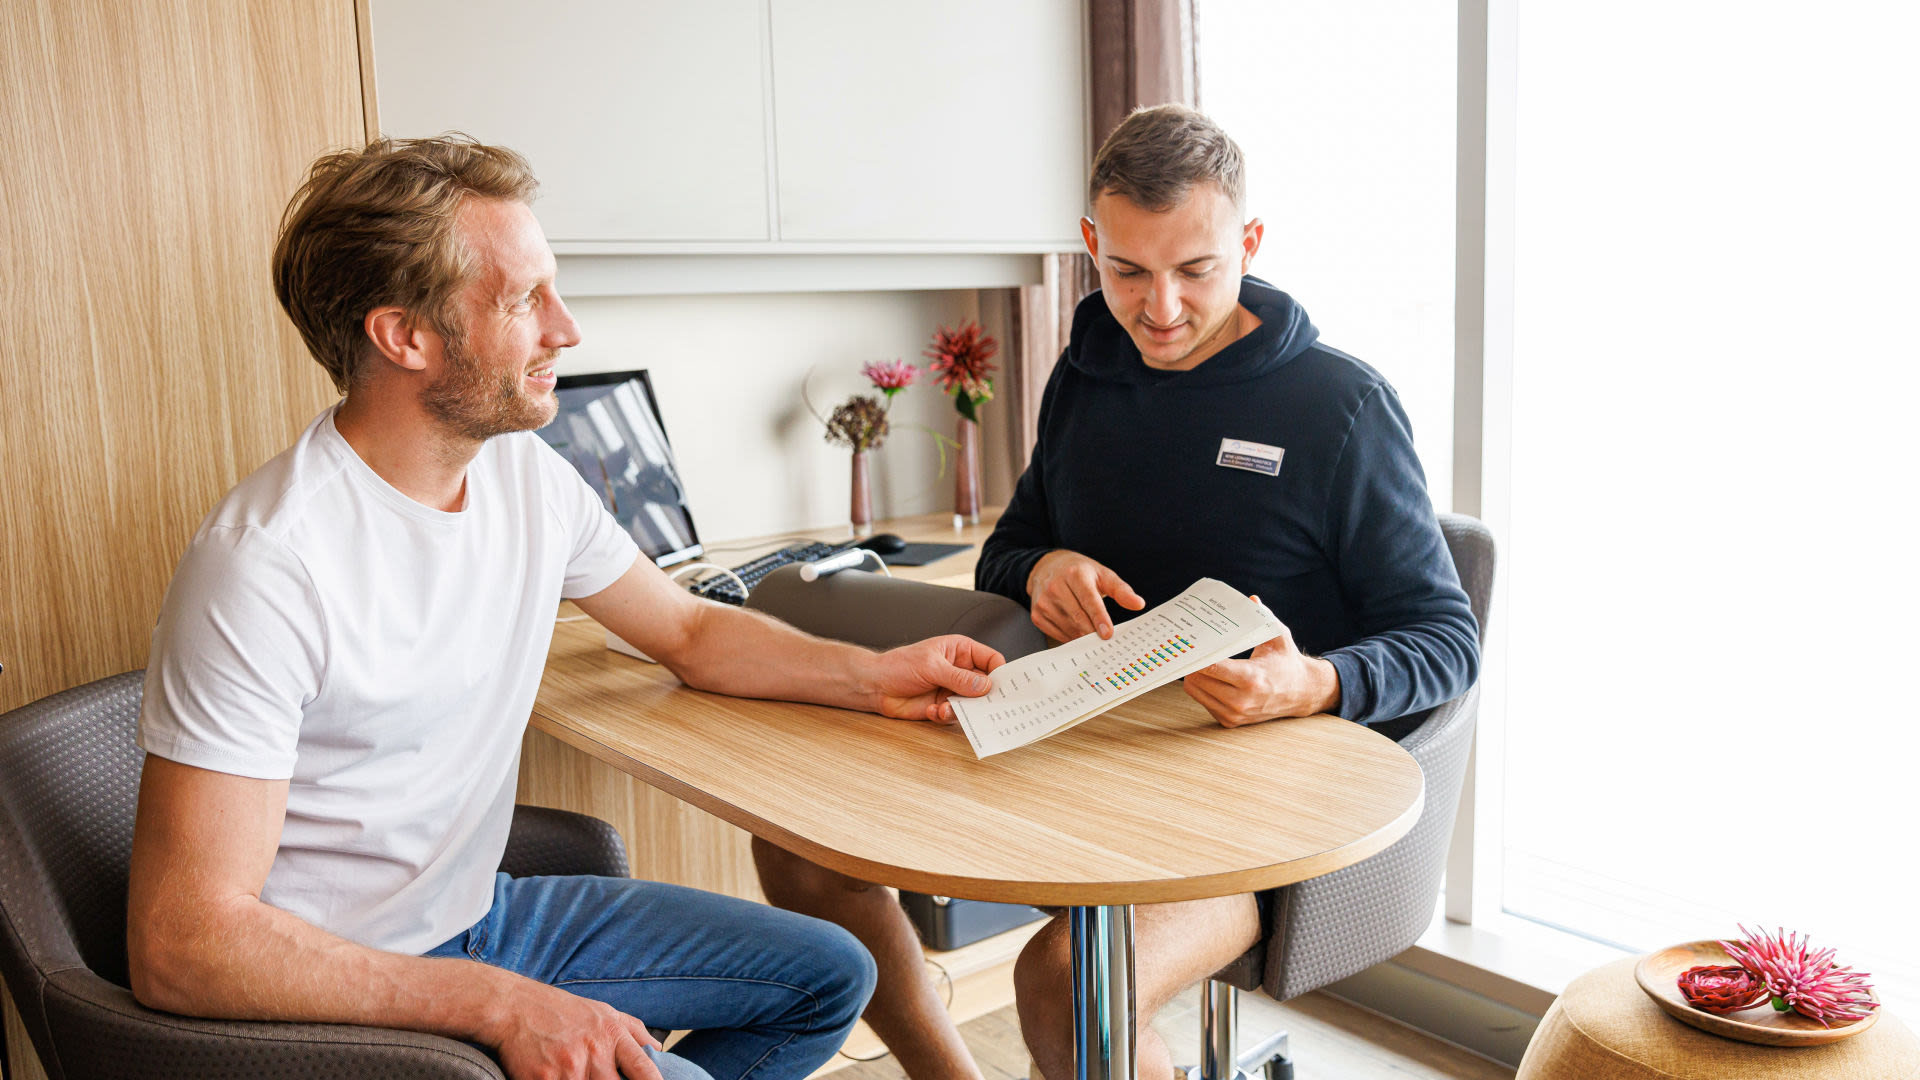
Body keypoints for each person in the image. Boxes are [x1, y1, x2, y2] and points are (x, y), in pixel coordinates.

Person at [125, 135, 1006, 1080]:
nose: (567, 329)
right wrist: (501, 1006)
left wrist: (875, 677)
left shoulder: (522, 474)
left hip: (480, 919)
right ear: (404, 336)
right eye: (523, 301)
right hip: (341, 991)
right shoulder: (269, 565)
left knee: (832, 973)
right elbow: (183, 944)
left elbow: (690, 630)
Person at [753, 105, 1479, 1080]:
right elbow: (1009, 549)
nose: (1161, 309)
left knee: (1062, 981)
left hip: (1251, 816)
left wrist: (1313, 682)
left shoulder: (1339, 407)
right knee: (800, 847)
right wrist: (1043, 568)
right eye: (1129, 271)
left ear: (1250, 244)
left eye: (1195, 270)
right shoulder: (1087, 373)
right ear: (1091, 244)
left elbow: (1445, 639)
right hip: (1083, 750)